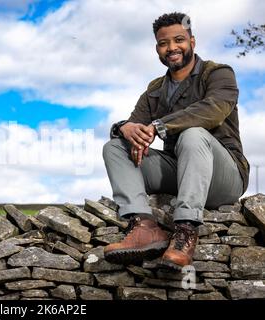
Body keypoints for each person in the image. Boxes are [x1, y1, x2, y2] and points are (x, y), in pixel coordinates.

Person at [102, 13, 249, 269]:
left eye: (179, 40)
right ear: (157, 48)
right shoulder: (155, 89)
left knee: (192, 134)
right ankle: (144, 227)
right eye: (163, 43)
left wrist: (160, 127)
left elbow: (213, 110)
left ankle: (185, 231)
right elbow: (135, 126)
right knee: (115, 147)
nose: (171, 48)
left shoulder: (219, 74)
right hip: (181, 173)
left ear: (193, 41)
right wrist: (125, 127)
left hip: (224, 177)